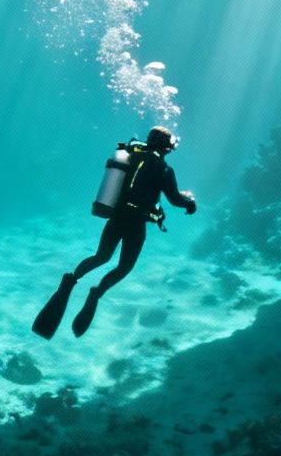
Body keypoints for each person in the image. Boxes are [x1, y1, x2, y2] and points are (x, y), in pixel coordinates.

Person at [34, 126, 197, 339]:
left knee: (101, 256)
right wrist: (190, 203)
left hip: (117, 217)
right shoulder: (164, 170)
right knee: (124, 266)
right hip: (136, 223)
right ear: (166, 147)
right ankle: (96, 293)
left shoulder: (130, 157)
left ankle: (70, 280)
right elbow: (174, 199)